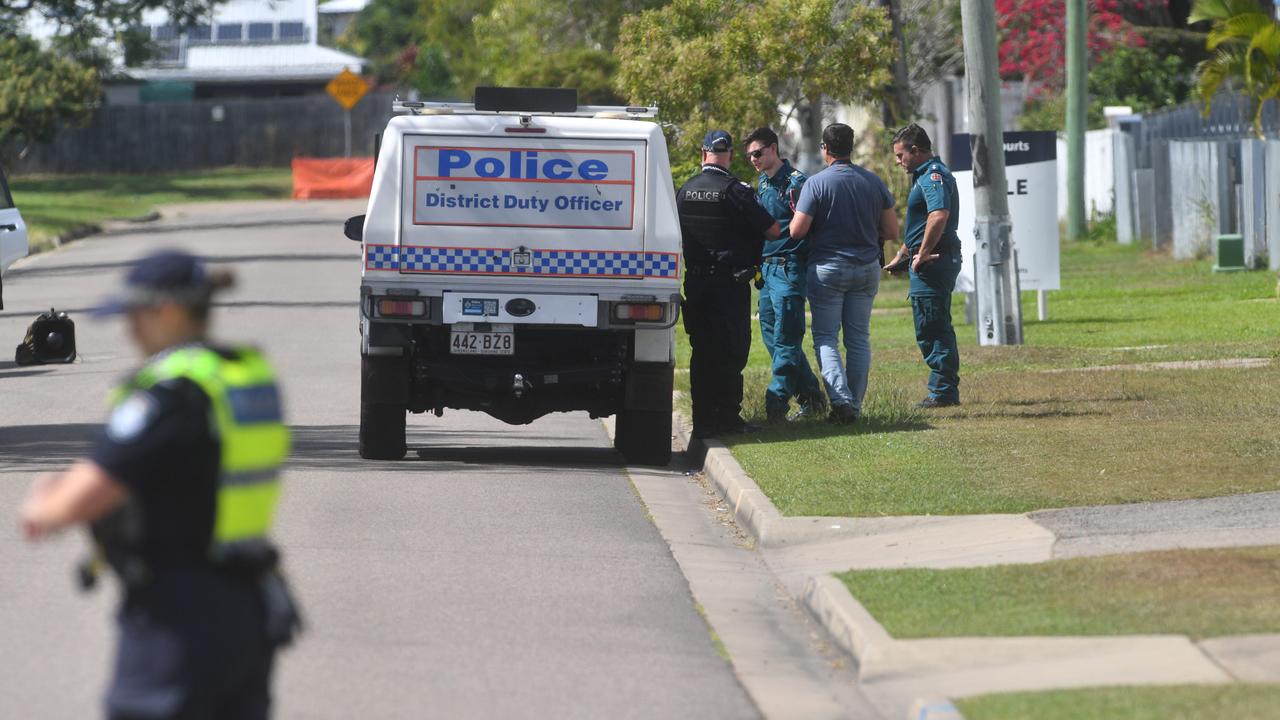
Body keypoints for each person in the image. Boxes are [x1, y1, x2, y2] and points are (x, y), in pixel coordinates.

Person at [19, 249, 300, 720]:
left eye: (135, 314)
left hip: (179, 616)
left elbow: (75, 501)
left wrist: (44, 501)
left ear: (167, 310)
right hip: (248, 604)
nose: (129, 329)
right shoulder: (243, 378)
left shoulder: (173, 396)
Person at [789, 123, 899, 424]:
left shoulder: (816, 184)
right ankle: (855, 404)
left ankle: (841, 401)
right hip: (865, 268)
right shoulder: (873, 182)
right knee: (859, 338)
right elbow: (891, 230)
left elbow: (797, 231)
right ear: (850, 147)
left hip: (828, 269)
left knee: (826, 337)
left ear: (825, 148)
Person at [677, 129, 781, 439]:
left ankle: (704, 420)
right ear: (731, 155)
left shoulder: (684, 190)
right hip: (728, 284)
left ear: (702, 153)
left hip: (695, 283)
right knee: (731, 350)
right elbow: (773, 230)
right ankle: (728, 419)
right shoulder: (737, 191)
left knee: (702, 351)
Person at [743, 127, 825, 424]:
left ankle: (775, 404)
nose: (753, 159)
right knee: (772, 338)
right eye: (750, 155)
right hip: (767, 269)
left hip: (789, 267)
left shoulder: (797, 184)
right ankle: (812, 399)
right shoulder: (763, 181)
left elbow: (813, 227)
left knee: (787, 338)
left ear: (773, 149)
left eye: (757, 153)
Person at [885, 123, 962, 408]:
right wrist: (904, 254)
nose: (897, 161)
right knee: (930, 322)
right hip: (927, 257)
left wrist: (923, 253)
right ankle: (943, 389)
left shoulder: (932, 176)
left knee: (933, 324)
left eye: (900, 155)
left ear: (915, 151)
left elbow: (939, 215)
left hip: (935, 259)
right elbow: (920, 225)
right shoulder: (923, 176)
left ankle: (943, 392)